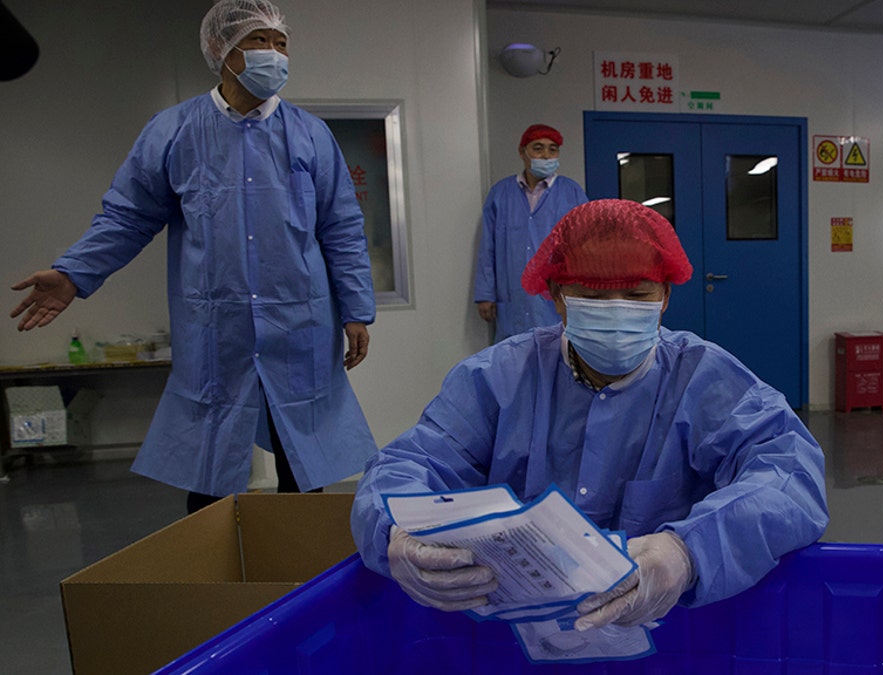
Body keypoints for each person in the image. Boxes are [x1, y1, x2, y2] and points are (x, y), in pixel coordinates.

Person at [353, 199, 828, 630]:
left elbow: (790, 475)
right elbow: (408, 464)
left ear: (665, 296)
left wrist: (687, 551)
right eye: (593, 298)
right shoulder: (499, 378)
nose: (616, 313)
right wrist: (396, 534)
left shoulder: (704, 379)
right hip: (514, 637)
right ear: (557, 296)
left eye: (638, 296)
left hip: (670, 633)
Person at [9, 0, 377, 513]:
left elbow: (341, 227)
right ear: (219, 50)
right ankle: (211, 583)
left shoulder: (311, 134)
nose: (274, 53)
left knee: (304, 463)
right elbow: (128, 215)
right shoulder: (173, 131)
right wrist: (75, 272)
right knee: (209, 471)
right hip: (215, 327)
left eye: (281, 43)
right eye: (258, 41)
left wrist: (357, 309)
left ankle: (299, 580)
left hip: (300, 323)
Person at [474, 124, 588, 342]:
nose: (546, 155)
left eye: (552, 149)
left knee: (557, 354)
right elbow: (487, 248)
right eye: (538, 148)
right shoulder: (501, 193)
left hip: (555, 295)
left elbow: (585, 247)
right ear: (522, 152)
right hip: (512, 298)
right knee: (512, 360)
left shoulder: (572, 192)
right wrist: (485, 294)